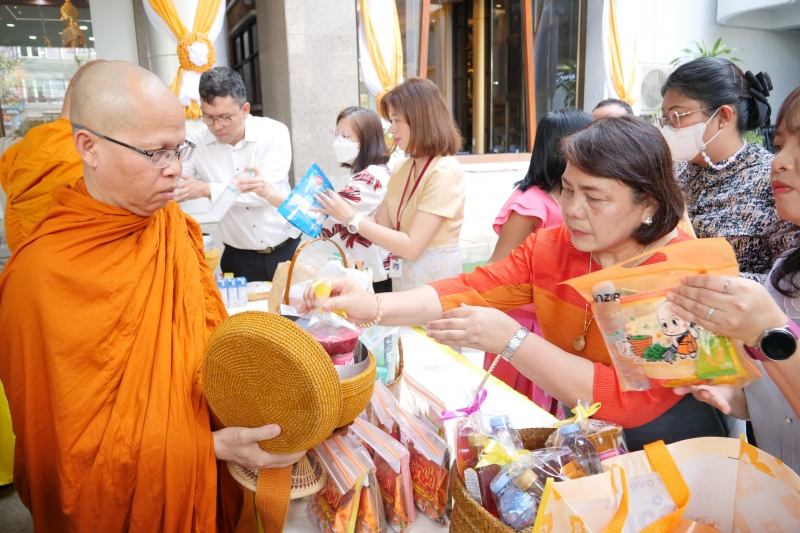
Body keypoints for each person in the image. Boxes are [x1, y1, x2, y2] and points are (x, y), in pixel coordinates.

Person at [302, 115, 739, 451]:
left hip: (671, 436)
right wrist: (370, 306)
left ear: (649, 203)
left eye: (595, 197)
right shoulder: (553, 248)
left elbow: (630, 398)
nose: (573, 209)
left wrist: (512, 341)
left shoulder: (674, 270)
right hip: (589, 426)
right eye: (567, 190)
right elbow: (471, 287)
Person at [0, 61, 304, 531]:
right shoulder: (40, 277)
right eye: (156, 153)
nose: (177, 169)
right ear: (89, 148)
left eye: (179, 149)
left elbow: (205, 352)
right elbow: (62, 457)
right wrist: (205, 448)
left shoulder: (172, 228)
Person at [665, 86, 800, 474]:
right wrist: (732, 396)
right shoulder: (786, 271)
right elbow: (777, 400)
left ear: (724, 116)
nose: (779, 162)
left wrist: (770, 331)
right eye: (779, 144)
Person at [484, 109, 592, 411]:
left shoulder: (571, 199)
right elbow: (498, 265)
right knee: (519, 411)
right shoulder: (531, 203)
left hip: (559, 320)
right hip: (525, 324)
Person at [313, 78, 465, 291]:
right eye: (390, 121)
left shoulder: (445, 171)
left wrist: (349, 216)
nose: (391, 130)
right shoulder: (402, 168)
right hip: (403, 284)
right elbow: (380, 224)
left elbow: (412, 247)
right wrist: (343, 213)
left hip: (436, 289)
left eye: (396, 120)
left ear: (420, 119)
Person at [659, 57, 798, 282]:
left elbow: (787, 284)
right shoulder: (672, 173)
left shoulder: (773, 179)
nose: (668, 128)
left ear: (723, 116)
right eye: (665, 118)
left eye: (677, 116)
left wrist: (703, 280)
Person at [238, 106, 394, 293]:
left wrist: (268, 193)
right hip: (368, 272)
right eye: (335, 135)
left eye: (345, 136)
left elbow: (325, 219)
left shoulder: (370, 178)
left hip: (374, 275)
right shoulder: (370, 174)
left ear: (367, 138)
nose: (338, 142)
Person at [174, 66, 297, 282]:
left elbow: (261, 192)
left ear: (245, 109)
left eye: (225, 117)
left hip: (286, 251)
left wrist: (204, 189)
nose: (217, 126)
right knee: (242, 316)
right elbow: (173, 179)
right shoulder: (195, 141)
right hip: (238, 257)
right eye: (208, 118)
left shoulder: (274, 133)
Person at [1, 60, 104, 253]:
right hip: (87, 264)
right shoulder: (100, 153)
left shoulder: (15, 152)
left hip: (31, 262)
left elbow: (14, 232)